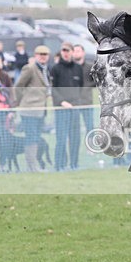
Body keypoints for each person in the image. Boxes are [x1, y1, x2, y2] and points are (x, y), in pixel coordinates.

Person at [14, 45, 51, 172]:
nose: (42, 57)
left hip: (40, 110)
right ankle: (32, 166)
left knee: (36, 137)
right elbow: (18, 86)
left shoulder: (45, 69)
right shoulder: (30, 68)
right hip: (29, 110)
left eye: (45, 55)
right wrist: (21, 102)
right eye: (40, 54)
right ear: (35, 55)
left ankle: (34, 165)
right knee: (31, 137)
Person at [49, 42, 84, 171]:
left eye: (68, 50)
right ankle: (59, 165)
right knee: (61, 139)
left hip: (75, 108)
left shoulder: (77, 68)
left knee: (75, 138)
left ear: (72, 52)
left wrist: (75, 102)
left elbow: (80, 86)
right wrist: (62, 102)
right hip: (61, 109)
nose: (65, 52)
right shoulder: (55, 68)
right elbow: (53, 90)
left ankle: (74, 164)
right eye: (63, 50)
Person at [72, 43, 95, 138]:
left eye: (78, 51)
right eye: (74, 51)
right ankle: (75, 150)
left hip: (87, 102)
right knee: (74, 128)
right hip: (73, 103)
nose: (76, 53)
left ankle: (90, 148)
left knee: (89, 126)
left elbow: (96, 81)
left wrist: (87, 86)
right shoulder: (70, 67)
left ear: (83, 53)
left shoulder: (90, 67)